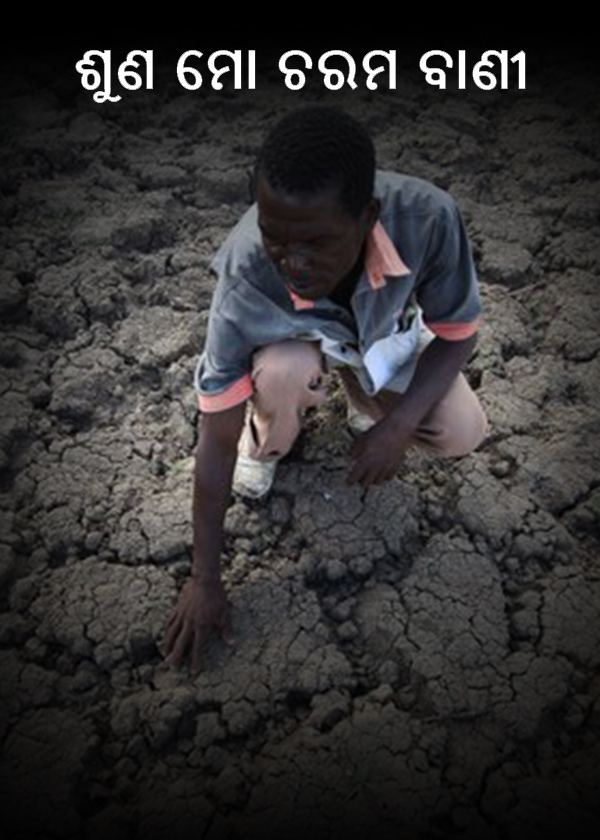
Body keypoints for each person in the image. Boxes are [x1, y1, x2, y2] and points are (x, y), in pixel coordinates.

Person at [163, 106, 487, 672]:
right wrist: (203, 579)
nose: (292, 261)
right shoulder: (246, 274)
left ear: (367, 217)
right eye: (274, 237)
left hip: (378, 335)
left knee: (462, 430)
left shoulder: (428, 218)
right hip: (295, 346)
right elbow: (213, 437)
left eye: (316, 242)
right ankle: (269, 436)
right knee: (283, 369)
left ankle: (363, 399)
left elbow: (458, 334)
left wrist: (397, 426)